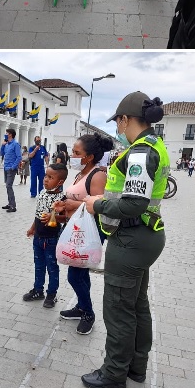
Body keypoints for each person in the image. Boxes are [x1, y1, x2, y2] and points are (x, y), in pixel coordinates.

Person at [80, 92, 169, 388]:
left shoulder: (140, 153)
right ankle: (136, 367)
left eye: (118, 121)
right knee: (136, 305)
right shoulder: (154, 145)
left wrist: (97, 204)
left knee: (118, 309)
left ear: (125, 119)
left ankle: (114, 372)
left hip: (131, 238)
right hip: (146, 235)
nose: (117, 128)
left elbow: (132, 204)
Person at [54, 134, 112, 334]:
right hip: (74, 230)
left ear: (89, 157)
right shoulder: (81, 174)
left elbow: (99, 205)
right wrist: (62, 206)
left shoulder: (98, 175)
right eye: (73, 151)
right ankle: (81, 307)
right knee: (80, 273)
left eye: (77, 153)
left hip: (88, 232)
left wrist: (72, 204)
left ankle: (88, 312)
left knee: (75, 276)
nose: (72, 156)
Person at [23, 163, 68, 309]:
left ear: (60, 182)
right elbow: (37, 215)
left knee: (52, 267)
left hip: (52, 239)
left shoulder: (62, 199)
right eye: (45, 176)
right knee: (39, 266)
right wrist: (32, 228)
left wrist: (53, 215)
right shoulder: (42, 193)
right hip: (38, 238)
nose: (45, 180)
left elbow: (65, 218)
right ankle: (38, 290)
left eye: (50, 177)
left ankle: (51, 294)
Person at [0, 128, 21, 212]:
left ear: (10, 134)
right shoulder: (7, 144)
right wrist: (2, 145)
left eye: (7, 133)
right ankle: (10, 203)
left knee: (9, 186)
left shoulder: (15, 144)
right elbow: (2, 154)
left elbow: (19, 157)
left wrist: (13, 167)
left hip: (11, 169)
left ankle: (13, 206)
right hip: (6, 167)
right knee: (7, 186)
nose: (5, 134)